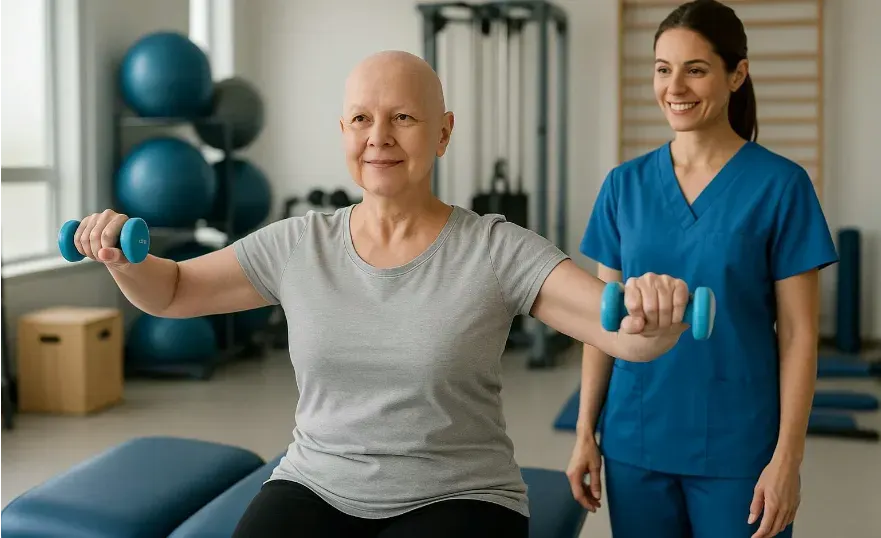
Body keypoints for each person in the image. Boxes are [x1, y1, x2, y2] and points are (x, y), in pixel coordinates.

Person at [75, 50, 693, 538]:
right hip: (316, 482)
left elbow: (620, 334)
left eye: (403, 117)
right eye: (361, 119)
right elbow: (173, 290)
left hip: (461, 492)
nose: (379, 136)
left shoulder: (496, 249)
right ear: (344, 130)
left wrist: (656, 317)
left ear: (443, 133)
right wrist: (122, 259)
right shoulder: (298, 244)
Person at [566, 1, 838, 538]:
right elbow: (601, 323)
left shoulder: (781, 186)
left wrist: (787, 459)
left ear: (737, 74)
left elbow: (799, 336)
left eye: (695, 69)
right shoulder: (624, 185)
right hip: (636, 439)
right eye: (663, 69)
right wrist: (584, 433)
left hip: (740, 448)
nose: (675, 87)